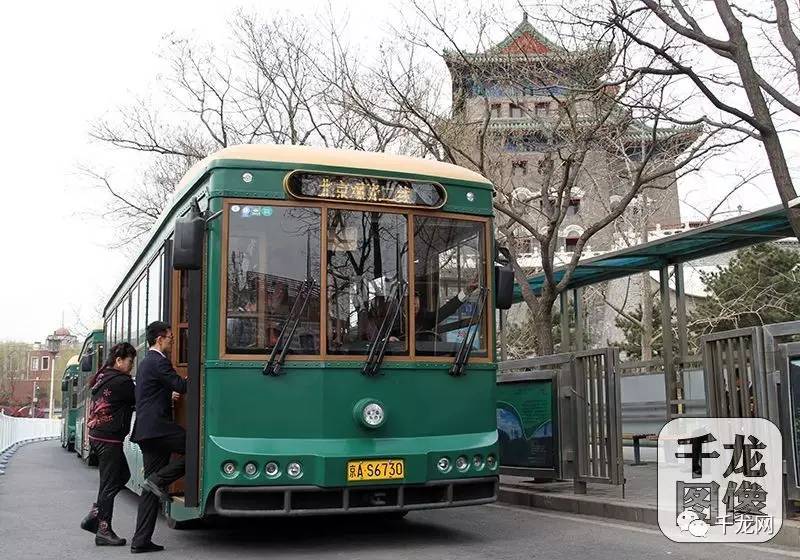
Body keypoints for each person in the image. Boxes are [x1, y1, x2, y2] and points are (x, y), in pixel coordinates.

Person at [129, 321, 188, 554]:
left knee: (149, 489)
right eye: (171, 338)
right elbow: (180, 385)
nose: (173, 341)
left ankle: (140, 540)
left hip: (147, 431)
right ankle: (160, 480)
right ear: (159, 339)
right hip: (158, 429)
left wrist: (167, 395)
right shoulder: (158, 361)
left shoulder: (146, 363)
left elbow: (155, 390)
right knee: (198, 449)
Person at [79, 342, 137, 546]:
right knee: (113, 482)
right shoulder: (122, 382)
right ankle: (102, 529)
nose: (131, 366)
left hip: (98, 435)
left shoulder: (103, 377)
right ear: (119, 360)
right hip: (109, 437)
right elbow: (140, 400)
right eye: (130, 361)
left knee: (115, 479)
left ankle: (95, 516)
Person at [414, 279, 479, 341]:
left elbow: (448, 309)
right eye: (412, 303)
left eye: (416, 304)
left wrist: (466, 291)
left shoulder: (426, 319)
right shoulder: (404, 323)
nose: (415, 306)